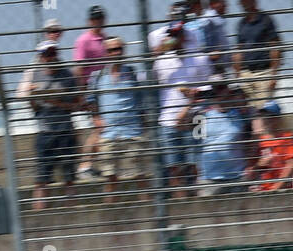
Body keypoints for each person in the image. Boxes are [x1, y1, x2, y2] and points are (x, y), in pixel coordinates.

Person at [154, 21, 212, 195]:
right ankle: (181, 204)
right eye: (172, 35)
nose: (175, 39)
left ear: (185, 37)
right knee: (174, 167)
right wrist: (158, 51)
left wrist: (195, 94)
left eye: (178, 35)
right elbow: (151, 83)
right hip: (168, 120)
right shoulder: (161, 61)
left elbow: (209, 87)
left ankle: (197, 200)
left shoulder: (200, 58)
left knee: (196, 164)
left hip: (197, 117)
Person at [89, 37, 151, 196]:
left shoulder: (133, 73)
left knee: (140, 176)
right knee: (110, 178)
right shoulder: (97, 76)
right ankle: (110, 217)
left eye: (118, 49)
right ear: (105, 53)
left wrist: (143, 125)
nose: (115, 53)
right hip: (109, 134)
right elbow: (91, 99)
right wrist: (96, 119)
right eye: (111, 50)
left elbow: (142, 100)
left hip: (133, 131)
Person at [25, 42, 82, 210]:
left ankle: (72, 215)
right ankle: (40, 216)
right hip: (45, 132)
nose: (51, 57)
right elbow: (34, 108)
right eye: (47, 54)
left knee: (69, 178)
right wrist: (32, 97)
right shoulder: (35, 75)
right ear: (41, 57)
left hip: (65, 132)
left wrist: (56, 102)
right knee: (41, 179)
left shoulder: (68, 75)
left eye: (53, 53)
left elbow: (78, 105)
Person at [73, 5, 110, 179]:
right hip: (91, 89)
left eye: (100, 18)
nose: (98, 21)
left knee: (102, 128)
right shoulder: (83, 40)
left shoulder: (106, 40)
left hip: (106, 88)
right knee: (99, 126)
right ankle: (85, 164)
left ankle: (90, 164)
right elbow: (79, 69)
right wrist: (82, 94)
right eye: (95, 18)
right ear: (90, 21)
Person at [193, 81, 248, 193]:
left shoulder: (241, 113)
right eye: (216, 90)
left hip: (237, 176)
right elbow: (196, 145)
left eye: (222, 88)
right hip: (209, 177)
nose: (220, 93)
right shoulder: (201, 116)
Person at [234, 0, 283, 106]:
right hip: (246, 74)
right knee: (252, 113)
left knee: (265, 111)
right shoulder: (241, 23)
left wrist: (273, 76)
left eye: (245, 1)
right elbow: (238, 50)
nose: (243, 4)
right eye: (241, 2)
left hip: (264, 73)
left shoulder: (266, 20)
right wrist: (238, 76)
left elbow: (275, 47)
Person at [251, 101, 293, 191]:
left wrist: (276, 187)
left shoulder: (287, 138)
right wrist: (260, 164)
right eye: (264, 116)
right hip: (265, 187)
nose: (266, 119)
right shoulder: (261, 139)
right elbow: (256, 168)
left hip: (282, 188)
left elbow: (290, 165)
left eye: (270, 117)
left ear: (278, 118)